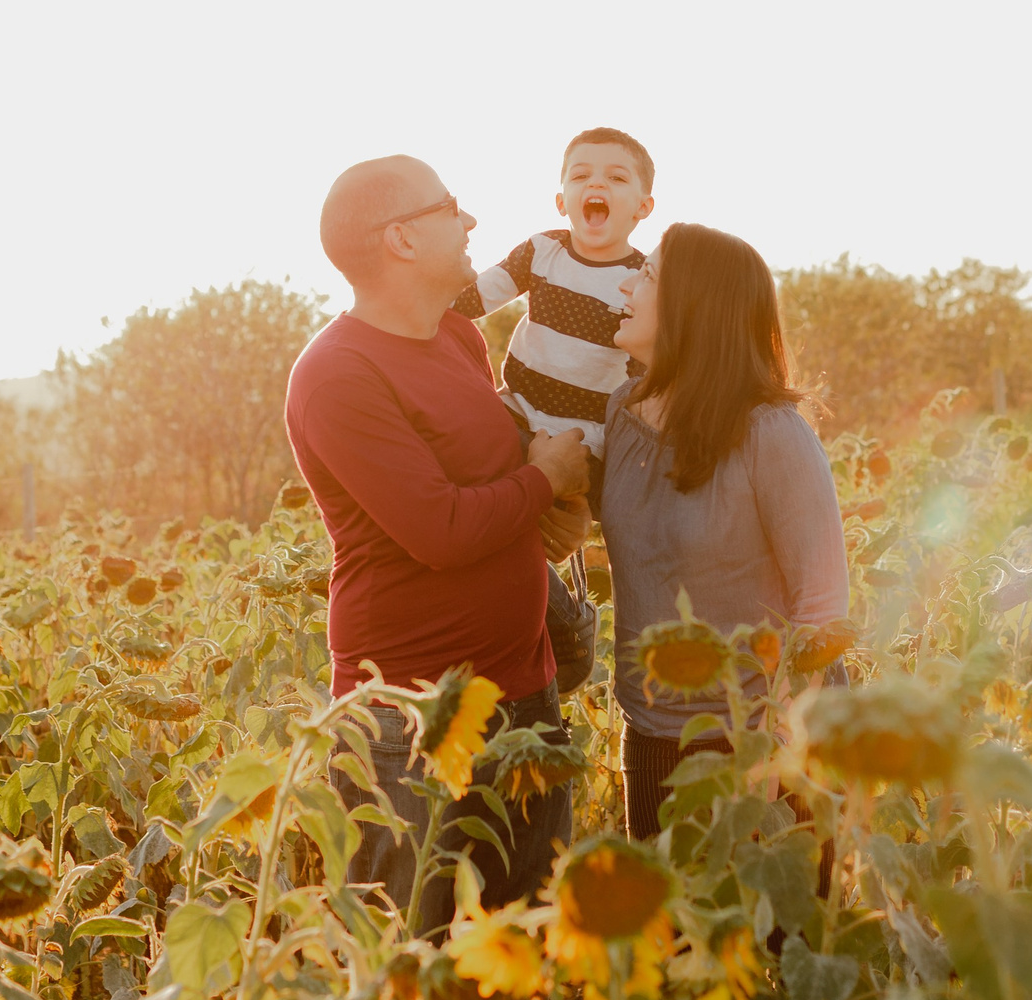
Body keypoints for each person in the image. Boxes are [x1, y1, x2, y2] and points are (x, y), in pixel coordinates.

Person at [286, 155, 592, 933]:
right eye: (451, 207)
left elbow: (484, 478)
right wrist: (546, 478)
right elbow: (441, 532)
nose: (471, 221)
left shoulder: (459, 336)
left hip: (524, 691)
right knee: (413, 959)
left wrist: (549, 509)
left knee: (518, 950)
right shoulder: (337, 373)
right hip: (410, 720)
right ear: (401, 239)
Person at [599, 223, 851, 839]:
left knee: (776, 934)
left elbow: (822, 608)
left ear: (694, 306)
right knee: (674, 933)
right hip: (654, 734)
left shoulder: (772, 433)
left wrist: (776, 746)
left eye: (650, 274)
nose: (628, 283)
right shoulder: (621, 412)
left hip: (761, 737)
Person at [452, 128, 656, 498]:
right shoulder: (542, 250)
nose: (597, 183)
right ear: (562, 202)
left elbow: (648, 365)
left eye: (616, 177)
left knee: (563, 505)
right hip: (516, 408)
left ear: (643, 206)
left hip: (587, 434)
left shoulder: (641, 278)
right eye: (581, 175)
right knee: (469, 459)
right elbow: (475, 299)